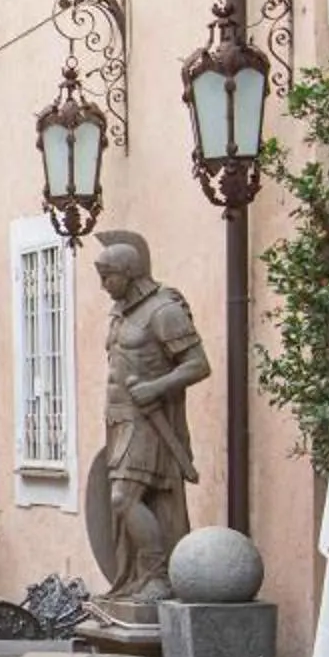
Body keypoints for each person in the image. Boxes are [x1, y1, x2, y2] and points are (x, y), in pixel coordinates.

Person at [93, 231, 210, 603]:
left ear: (129, 272)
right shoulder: (120, 313)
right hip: (119, 420)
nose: (103, 285)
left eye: (107, 276)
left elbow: (197, 365)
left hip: (149, 422)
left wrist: (157, 387)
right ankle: (139, 578)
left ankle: (158, 576)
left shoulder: (164, 311)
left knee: (123, 499)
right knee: (126, 501)